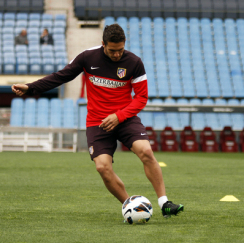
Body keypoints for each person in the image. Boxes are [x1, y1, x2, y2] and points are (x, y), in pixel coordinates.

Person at [12, 24, 184, 219]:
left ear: (124, 44)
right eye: (112, 50)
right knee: (102, 167)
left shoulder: (134, 62)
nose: (117, 55)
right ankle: (132, 207)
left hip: (125, 118)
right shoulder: (87, 57)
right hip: (97, 122)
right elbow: (61, 76)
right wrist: (30, 87)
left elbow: (141, 97)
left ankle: (164, 203)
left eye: (120, 50)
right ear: (103, 44)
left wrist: (119, 116)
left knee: (145, 151)